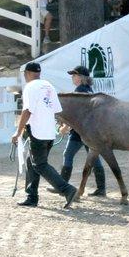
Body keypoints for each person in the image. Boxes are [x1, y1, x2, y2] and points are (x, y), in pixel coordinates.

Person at [11, 62, 78, 208]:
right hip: (49, 132)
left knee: (40, 164)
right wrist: (62, 125)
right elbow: (56, 110)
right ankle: (31, 196)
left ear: (27, 73)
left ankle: (67, 190)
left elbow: (27, 111)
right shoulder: (48, 85)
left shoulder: (30, 87)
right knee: (32, 162)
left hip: (38, 132)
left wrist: (18, 131)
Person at [48, 66, 106, 196]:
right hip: (91, 131)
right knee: (94, 158)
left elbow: (75, 115)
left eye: (74, 75)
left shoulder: (79, 91)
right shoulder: (89, 90)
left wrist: (65, 127)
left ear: (80, 77)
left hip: (79, 132)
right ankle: (101, 188)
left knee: (67, 155)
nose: (72, 78)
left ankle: (62, 186)